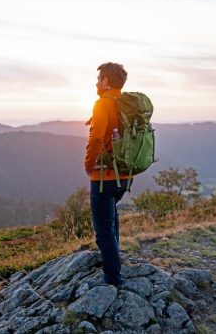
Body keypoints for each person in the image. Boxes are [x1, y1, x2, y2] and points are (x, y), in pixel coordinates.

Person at [84, 62, 132, 286]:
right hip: (126, 174)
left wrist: (88, 164)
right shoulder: (127, 104)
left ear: (105, 81)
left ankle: (113, 277)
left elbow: (95, 139)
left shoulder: (103, 104)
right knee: (111, 218)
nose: (96, 83)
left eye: (99, 79)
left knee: (104, 228)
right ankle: (114, 263)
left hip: (104, 177)